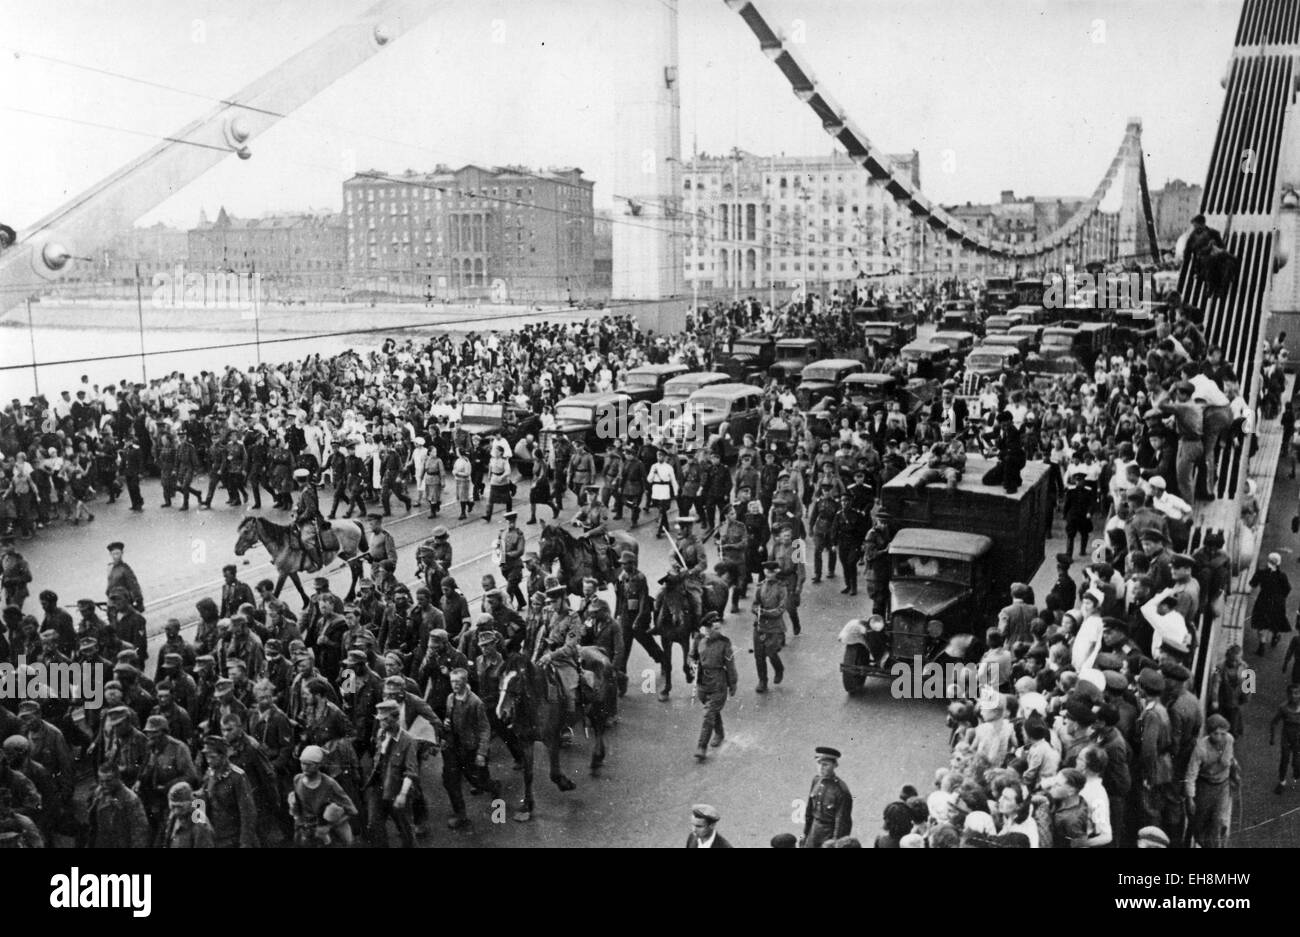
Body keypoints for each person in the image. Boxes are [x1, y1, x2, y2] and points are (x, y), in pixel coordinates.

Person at [442, 667, 499, 830]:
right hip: (454, 746)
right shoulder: (450, 698)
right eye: (452, 681)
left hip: (470, 748)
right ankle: (461, 815)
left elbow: (484, 728)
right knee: (450, 781)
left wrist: (481, 753)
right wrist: (447, 723)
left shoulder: (476, 702)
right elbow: (449, 717)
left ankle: (494, 786)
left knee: (477, 781)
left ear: (465, 682)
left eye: (457, 682)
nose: (454, 685)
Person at [364, 699, 418, 848]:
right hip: (378, 787)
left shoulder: (408, 741)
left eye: (386, 719)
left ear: (396, 717)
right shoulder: (381, 733)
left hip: (397, 790)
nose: (382, 723)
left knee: (405, 829)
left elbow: (411, 772)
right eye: (380, 719)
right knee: (374, 825)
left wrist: (402, 794)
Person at [1185, 714, 1238, 848]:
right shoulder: (1201, 749)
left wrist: (1233, 767)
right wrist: (1190, 798)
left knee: (1219, 821)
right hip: (1205, 786)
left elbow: (1229, 758)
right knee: (1199, 822)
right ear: (1209, 733)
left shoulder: (1230, 740)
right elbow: (1191, 774)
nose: (1219, 737)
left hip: (1223, 786)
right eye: (1216, 733)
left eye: (1223, 733)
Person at [690, 612, 737, 761]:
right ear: (708, 629)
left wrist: (733, 683)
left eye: (719, 627)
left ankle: (701, 747)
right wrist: (691, 663)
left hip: (718, 683)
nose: (719, 630)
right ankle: (719, 732)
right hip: (702, 683)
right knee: (711, 710)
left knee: (708, 714)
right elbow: (692, 656)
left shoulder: (725, 643)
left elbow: (730, 664)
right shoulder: (698, 639)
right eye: (715, 628)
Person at [801, 746, 853, 848]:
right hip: (813, 833)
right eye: (819, 764)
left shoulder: (841, 790)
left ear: (835, 765)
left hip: (829, 837)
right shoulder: (816, 781)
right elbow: (809, 812)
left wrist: (835, 843)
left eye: (825, 764)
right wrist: (806, 834)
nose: (821, 768)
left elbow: (842, 822)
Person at [751, 561, 787, 693]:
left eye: (772, 572)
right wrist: (756, 610)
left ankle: (779, 668)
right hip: (760, 626)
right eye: (767, 571)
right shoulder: (760, 586)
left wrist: (765, 613)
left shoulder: (782, 587)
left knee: (771, 653)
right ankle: (762, 681)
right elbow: (754, 604)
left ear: (776, 572)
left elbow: (781, 609)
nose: (769, 574)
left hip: (775, 627)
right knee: (759, 655)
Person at [1250, 552, 1291, 654]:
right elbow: (1287, 589)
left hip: (1263, 600)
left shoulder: (1261, 572)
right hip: (1277, 602)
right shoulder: (1282, 575)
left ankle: (1262, 645)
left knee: (1261, 623)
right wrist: (1281, 598)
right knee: (1275, 620)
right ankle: (1275, 636)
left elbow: (1253, 584)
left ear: (1268, 561)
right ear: (1279, 563)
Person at [1269, 683, 1300, 794]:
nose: (1293, 696)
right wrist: (1272, 737)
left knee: (1297, 762)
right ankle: (1282, 782)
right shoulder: (1284, 708)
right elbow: (1274, 723)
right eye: (1291, 693)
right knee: (1284, 760)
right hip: (1286, 738)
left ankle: (1297, 770)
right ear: (1287, 695)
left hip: (1298, 739)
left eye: (1296, 693)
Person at [497, 511, 526, 609]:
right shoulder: (504, 533)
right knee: (514, 585)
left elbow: (520, 551)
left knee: (509, 589)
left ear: (515, 521)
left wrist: (508, 555)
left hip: (515, 566)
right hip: (505, 567)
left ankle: (508, 609)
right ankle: (521, 602)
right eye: (508, 521)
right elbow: (499, 547)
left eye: (512, 521)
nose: (510, 523)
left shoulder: (519, 534)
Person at [105, 541, 144, 612]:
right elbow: (109, 584)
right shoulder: (109, 567)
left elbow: (134, 585)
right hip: (112, 601)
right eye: (113, 554)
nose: (116, 556)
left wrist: (139, 601)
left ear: (122, 553)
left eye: (118, 553)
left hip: (124, 601)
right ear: (110, 554)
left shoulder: (125, 568)